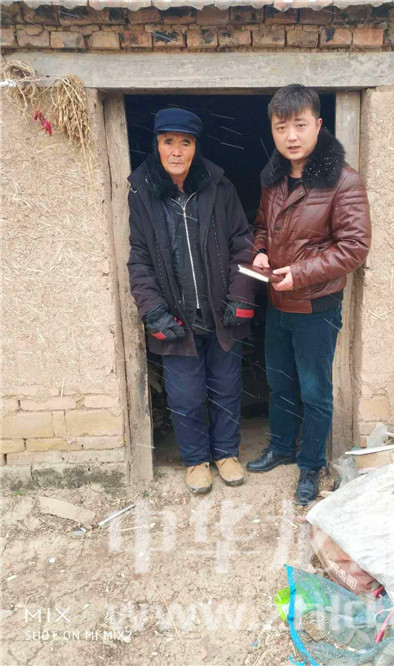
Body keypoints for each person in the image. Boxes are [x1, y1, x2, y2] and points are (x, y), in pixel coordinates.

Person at [247, 85, 371, 505]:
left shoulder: (343, 181)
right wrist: (260, 251)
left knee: (315, 391)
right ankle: (282, 447)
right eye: (281, 127)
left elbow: (354, 247)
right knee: (280, 383)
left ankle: (311, 465)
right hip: (278, 301)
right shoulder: (274, 179)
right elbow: (262, 227)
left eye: (300, 125)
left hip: (317, 306)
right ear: (272, 130)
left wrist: (298, 274)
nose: (291, 136)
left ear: (318, 125)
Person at [127, 108, 255, 495]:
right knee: (185, 395)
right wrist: (152, 310)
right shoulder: (143, 192)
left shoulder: (219, 188)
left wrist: (240, 296)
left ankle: (226, 453)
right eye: (168, 142)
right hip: (175, 316)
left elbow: (242, 244)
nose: (177, 151)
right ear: (157, 145)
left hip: (220, 311)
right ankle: (196, 459)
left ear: (196, 147)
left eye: (185, 142)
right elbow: (139, 259)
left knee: (226, 386)